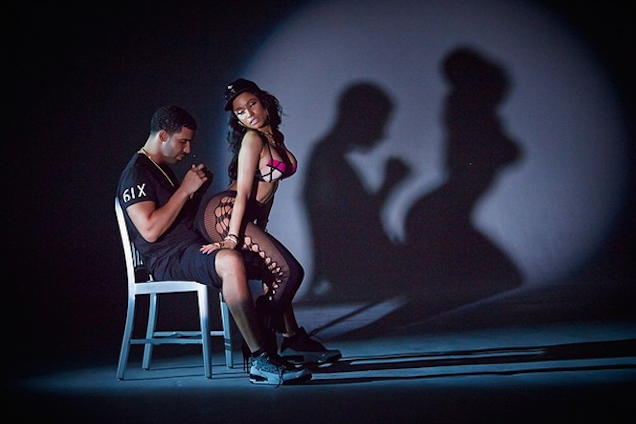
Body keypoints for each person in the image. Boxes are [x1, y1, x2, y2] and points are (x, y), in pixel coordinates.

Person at [116, 105, 311, 386]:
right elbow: (150, 231)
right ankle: (260, 360)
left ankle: (282, 340)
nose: (187, 149)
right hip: (167, 259)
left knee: (266, 259)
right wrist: (185, 189)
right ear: (163, 136)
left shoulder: (161, 169)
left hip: (189, 249)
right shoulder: (137, 172)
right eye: (183, 141)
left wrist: (196, 193)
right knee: (230, 260)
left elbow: (177, 222)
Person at [197, 78, 341, 366]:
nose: (248, 114)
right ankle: (259, 343)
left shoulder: (274, 136)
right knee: (291, 272)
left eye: (251, 104)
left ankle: (291, 339)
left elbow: (268, 192)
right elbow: (244, 193)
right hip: (224, 211)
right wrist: (232, 238)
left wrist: (260, 227)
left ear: (264, 102)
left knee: (275, 271)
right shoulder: (253, 139)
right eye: (240, 111)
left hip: (240, 214)